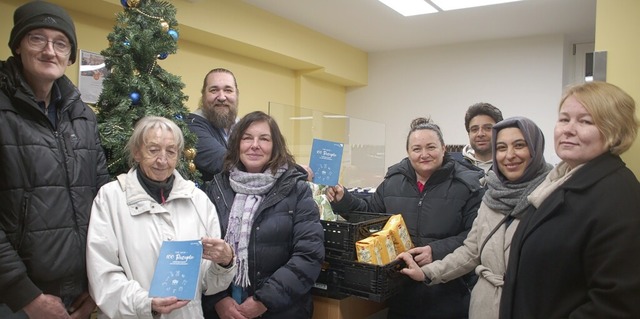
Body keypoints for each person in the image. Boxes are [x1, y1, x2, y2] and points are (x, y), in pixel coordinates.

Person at [0, 2, 110, 318]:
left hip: (79, 292)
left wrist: (97, 283)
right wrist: (26, 296)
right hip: (15, 299)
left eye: (60, 43)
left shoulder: (83, 116)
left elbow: (103, 201)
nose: (50, 50)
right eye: (37, 38)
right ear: (18, 45)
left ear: (70, 55)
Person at [500, 81, 640, 318]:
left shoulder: (619, 196)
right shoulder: (556, 181)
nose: (568, 129)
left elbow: (616, 304)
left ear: (614, 130)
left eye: (585, 121)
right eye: (564, 119)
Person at [326, 117, 484, 319]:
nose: (424, 154)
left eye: (431, 147)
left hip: (448, 293)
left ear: (444, 148)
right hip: (401, 293)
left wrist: (435, 251)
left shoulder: (467, 185)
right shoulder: (393, 182)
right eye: (417, 149)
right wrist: (344, 199)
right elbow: (370, 216)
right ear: (408, 152)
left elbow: (475, 236)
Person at [397, 117, 552, 319]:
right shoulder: (492, 195)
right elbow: (472, 251)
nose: (509, 155)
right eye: (501, 148)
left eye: (520, 145)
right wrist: (427, 273)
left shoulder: (552, 196)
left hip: (532, 305)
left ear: (535, 148)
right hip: (485, 307)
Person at [86, 116, 236, 319]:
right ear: (137, 152)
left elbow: (207, 284)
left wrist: (224, 263)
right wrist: (146, 304)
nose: (162, 159)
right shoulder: (111, 199)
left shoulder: (198, 201)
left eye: (171, 151)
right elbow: (102, 275)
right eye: (153, 149)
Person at [202, 111, 324, 319]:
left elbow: (309, 255)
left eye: (264, 139)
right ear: (236, 144)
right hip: (224, 311)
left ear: (275, 146)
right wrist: (217, 300)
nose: (255, 145)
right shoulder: (215, 189)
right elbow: (201, 250)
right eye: (247, 138)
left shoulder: (296, 190)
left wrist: (263, 300)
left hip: (281, 311)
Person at [187, 68, 239, 182]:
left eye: (228, 90)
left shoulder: (242, 127)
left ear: (236, 95)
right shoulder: (191, 125)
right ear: (203, 95)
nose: (221, 97)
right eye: (214, 90)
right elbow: (224, 163)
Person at [462, 103, 504, 174]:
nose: (480, 134)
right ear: (469, 134)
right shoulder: (456, 171)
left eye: (488, 128)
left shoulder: (511, 167)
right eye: (474, 129)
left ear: (499, 131)